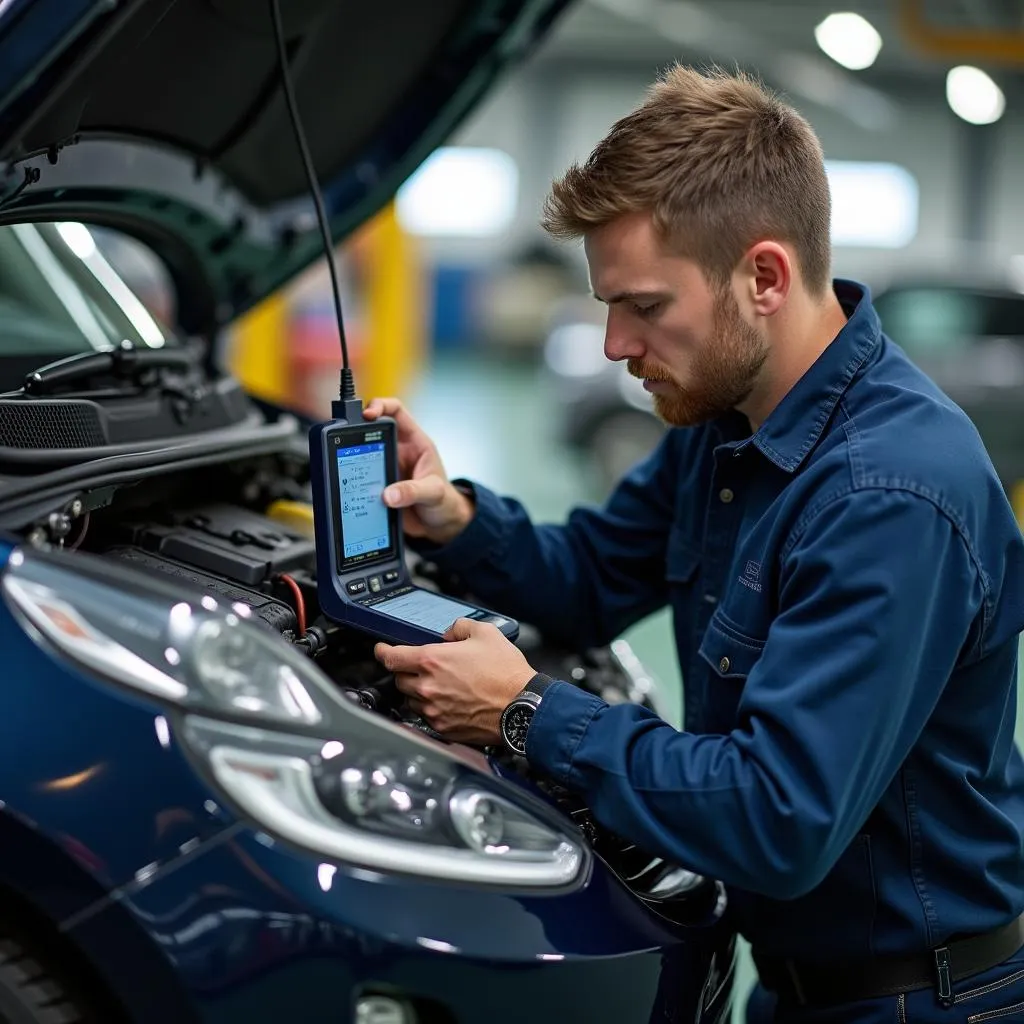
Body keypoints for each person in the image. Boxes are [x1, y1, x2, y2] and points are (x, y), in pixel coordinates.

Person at [364, 65, 1024, 1023]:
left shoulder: (890, 494)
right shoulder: (729, 422)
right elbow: (588, 578)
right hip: (792, 989)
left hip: (918, 1005)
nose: (612, 346)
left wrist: (524, 711)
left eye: (644, 306)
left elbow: (776, 814)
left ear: (763, 276)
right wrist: (454, 518)